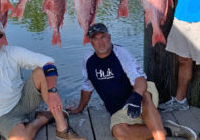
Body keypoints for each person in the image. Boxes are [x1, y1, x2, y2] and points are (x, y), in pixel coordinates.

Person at [0, 20, 86, 140]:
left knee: (41, 71)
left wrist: (53, 91)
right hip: (1, 114)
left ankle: (63, 130)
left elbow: (48, 61)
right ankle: (42, 118)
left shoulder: (13, 52)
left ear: (4, 38)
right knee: (21, 138)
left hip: (23, 100)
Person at [68, 23, 197, 140]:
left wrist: (136, 97)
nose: (100, 42)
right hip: (119, 108)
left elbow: (139, 79)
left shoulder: (121, 54)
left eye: (103, 37)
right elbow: (87, 86)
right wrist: (79, 108)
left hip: (138, 94)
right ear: (90, 42)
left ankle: (160, 137)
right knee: (119, 132)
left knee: (145, 96)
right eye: (95, 39)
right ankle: (167, 129)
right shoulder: (88, 60)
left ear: (109, 37)